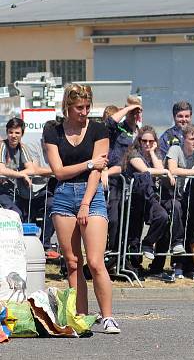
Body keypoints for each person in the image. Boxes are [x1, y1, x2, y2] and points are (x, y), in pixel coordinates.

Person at [43, 84, 119, 333]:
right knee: (73, 262)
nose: (84, 112)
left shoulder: (99, 129)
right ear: (68, 106)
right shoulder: (52, 130)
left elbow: (98, 171)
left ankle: (107, 317)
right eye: (79, 108)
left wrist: (86, 203)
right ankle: (81, 315)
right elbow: (59, 171)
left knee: (96, 262)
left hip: (92, 194)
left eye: (87, 107)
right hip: (63, 195)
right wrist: (88, 163)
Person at [121, 125, 174, 282]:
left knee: (163, 217)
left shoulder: (154, 154)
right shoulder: (133, 154)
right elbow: (146, 170)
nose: (147, 144)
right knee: (133, 235)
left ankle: (148, 243)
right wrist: (166, 172)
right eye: (144, 141)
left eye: (151, 141)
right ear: (139, 141)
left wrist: (152, 153)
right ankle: (134, 266)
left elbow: (159, 168)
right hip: (134, 198)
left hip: (149, 197)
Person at [165, 124, 194, 280]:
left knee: (190, 226)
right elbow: (173, 170)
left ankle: (187, 266)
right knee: (173, 224)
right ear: (183, 139)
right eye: (192, 139)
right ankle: (175, 265)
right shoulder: (175, 149)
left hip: (184, 195)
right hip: (168, 193)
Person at [103, 96, 142, 253]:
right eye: (131, 111)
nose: (134, 114)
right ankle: (112, 254)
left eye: (137, 111)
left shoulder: (141, 133)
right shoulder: (119, 130)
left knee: (133, 222)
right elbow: (108, 124)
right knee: (114, 220)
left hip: (135, 183)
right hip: (116, 182)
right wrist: (126, 109)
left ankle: (130, 257)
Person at [0, 117, 35, 217]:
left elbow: (31, 169)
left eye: (17, 133)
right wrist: (22, 175)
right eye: (11, 132)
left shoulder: (22, 147)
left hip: (16, 192)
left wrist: (20, 174)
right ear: (7, 133)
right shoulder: (3, 145)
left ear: (22, 134)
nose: (13, 136)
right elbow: (1, 170)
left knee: (25, 216)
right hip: (2, 191)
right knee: (16, 214)